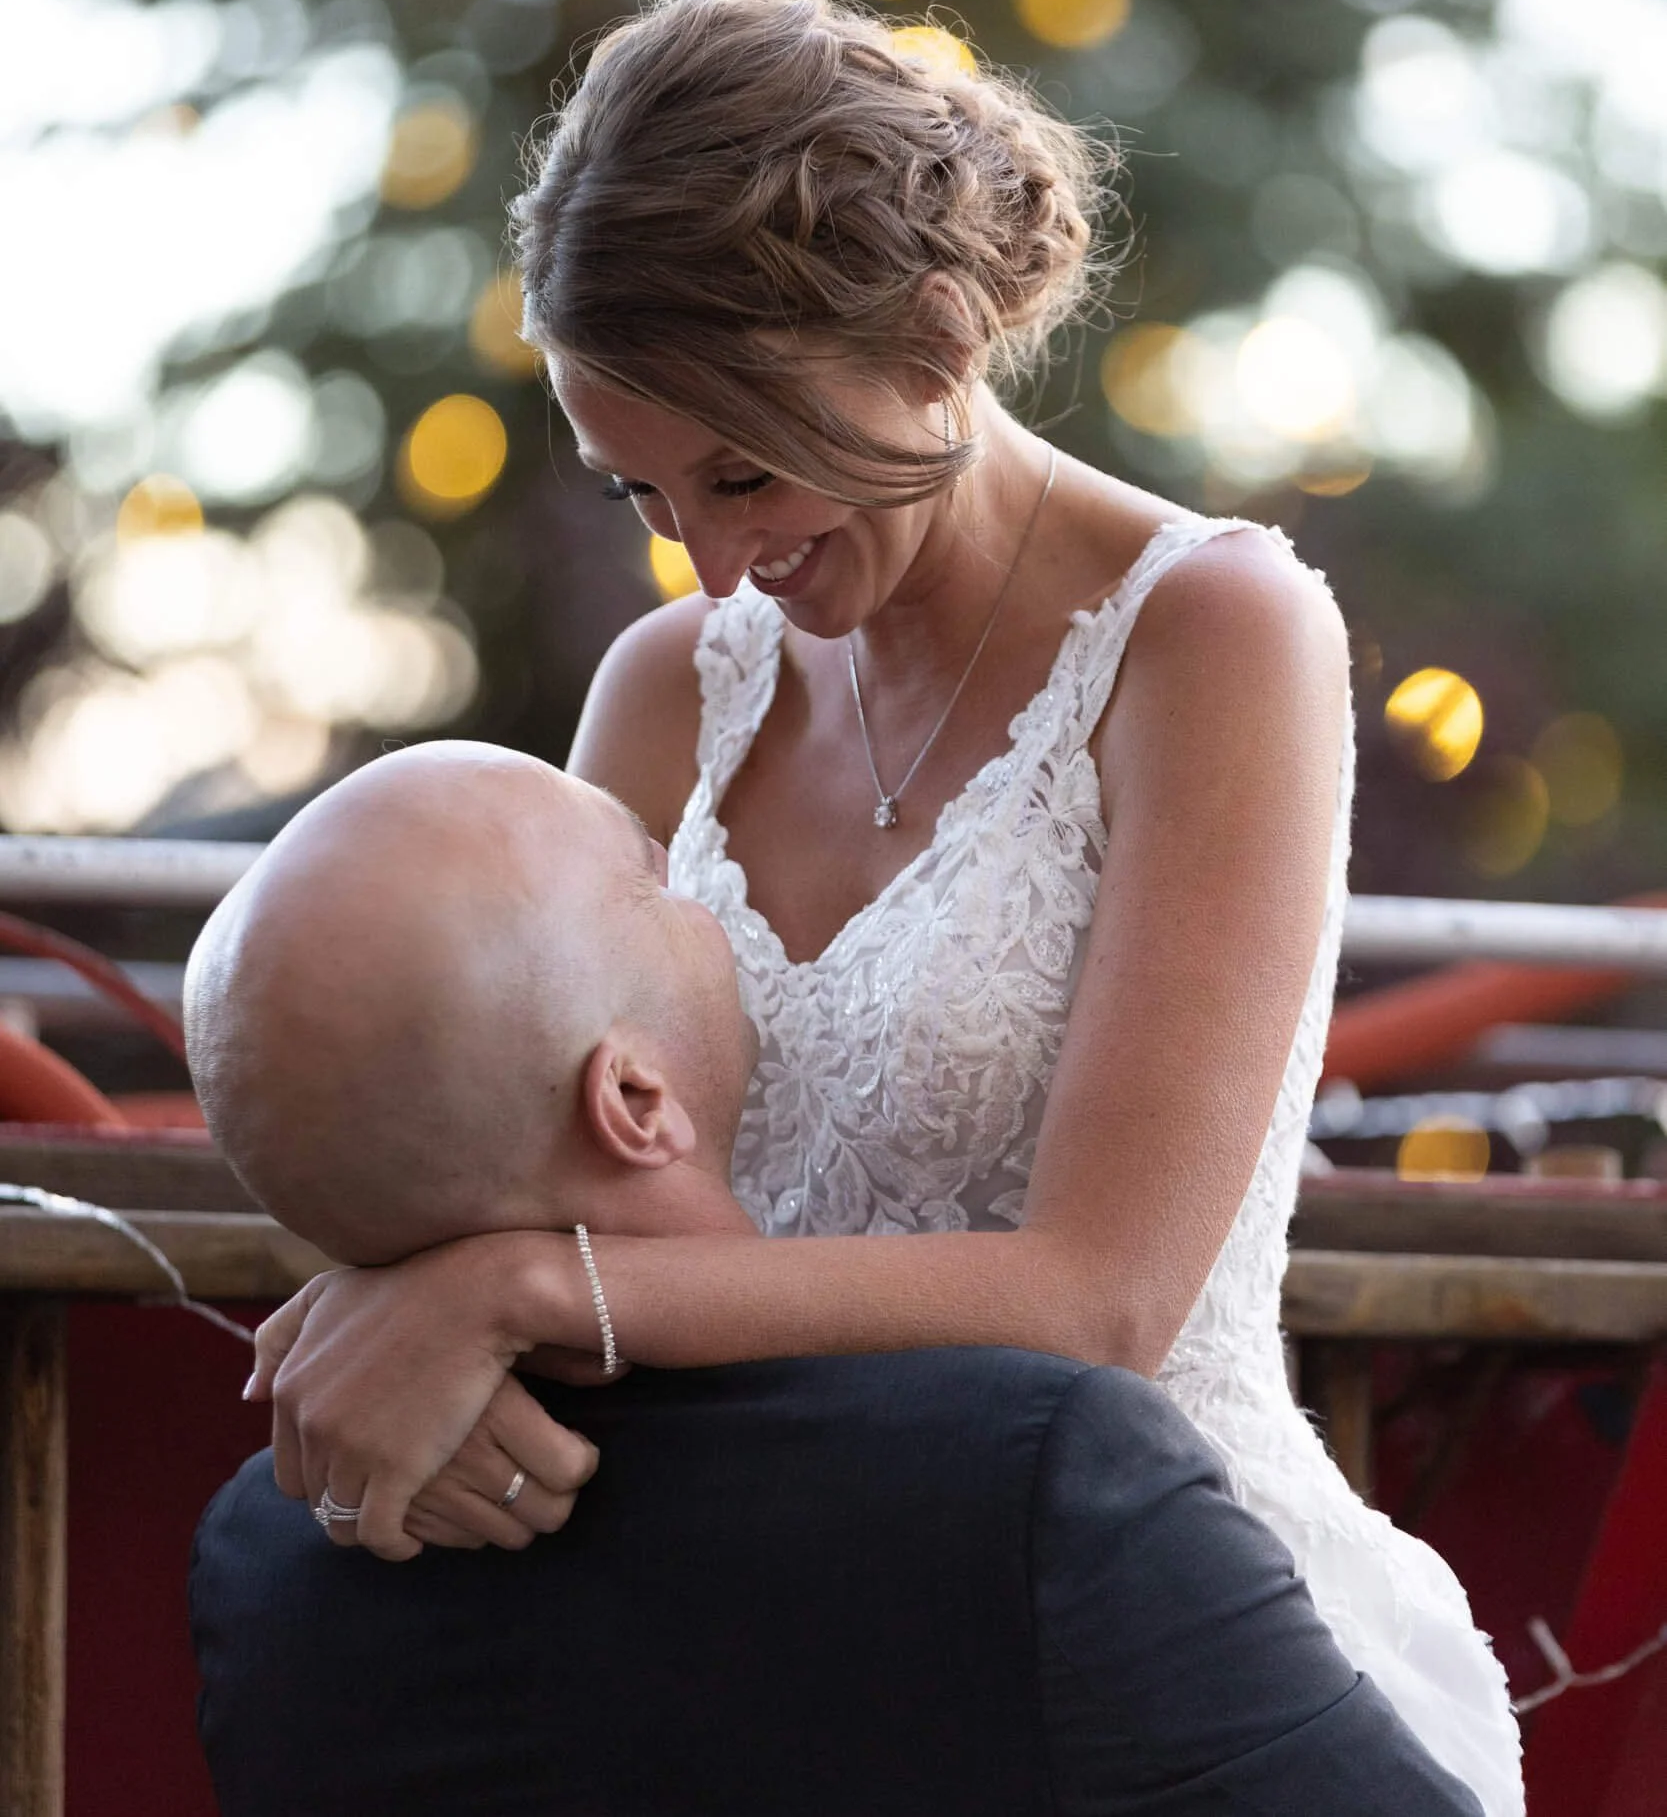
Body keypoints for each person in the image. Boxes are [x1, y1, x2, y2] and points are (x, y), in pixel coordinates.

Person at [246, 0, 1524, 1815]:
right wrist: (421, 1338)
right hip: (757, 1584)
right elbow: (489, 1115)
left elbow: (1100, 1300)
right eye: (645, 487)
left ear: (933, 332)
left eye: (742, 468)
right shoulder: (671, 687)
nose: (708, 556)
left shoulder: (1213, 634)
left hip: (1124, 1616)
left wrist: (534, 1284)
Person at [188, 739, 1481, 1816]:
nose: (707, 900)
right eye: (658, 878)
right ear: (634, 1099)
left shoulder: (273, 1548)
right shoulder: (1037, 1478)